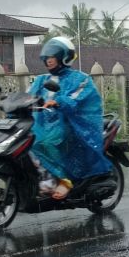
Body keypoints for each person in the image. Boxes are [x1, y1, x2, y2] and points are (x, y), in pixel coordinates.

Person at [28, 37, 113, 200]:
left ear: (64, 57)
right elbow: (29, 95)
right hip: (48, 124)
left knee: (46, 141)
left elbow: (76, 99)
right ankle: (42, 178)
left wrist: (58, 101)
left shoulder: (80, 79)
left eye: (52, 57)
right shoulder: (41, 80)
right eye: (46, 58)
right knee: (30, 141)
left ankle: (64, 180)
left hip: (74, 124)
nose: (49, 61)